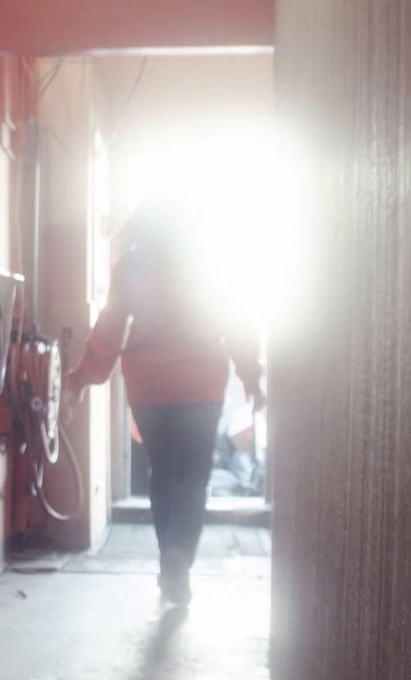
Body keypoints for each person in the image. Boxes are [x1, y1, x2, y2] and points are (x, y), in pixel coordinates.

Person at [63, 201, 264, 606]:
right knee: (194, 473)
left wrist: (81, 378)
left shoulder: (131, 266)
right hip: (199, 382)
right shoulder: (207, 264)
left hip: (148, 384)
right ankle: (177, 556)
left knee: (163, 471)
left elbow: (110, 327)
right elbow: (236, 320)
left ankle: (166, 557)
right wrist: (250, 374)